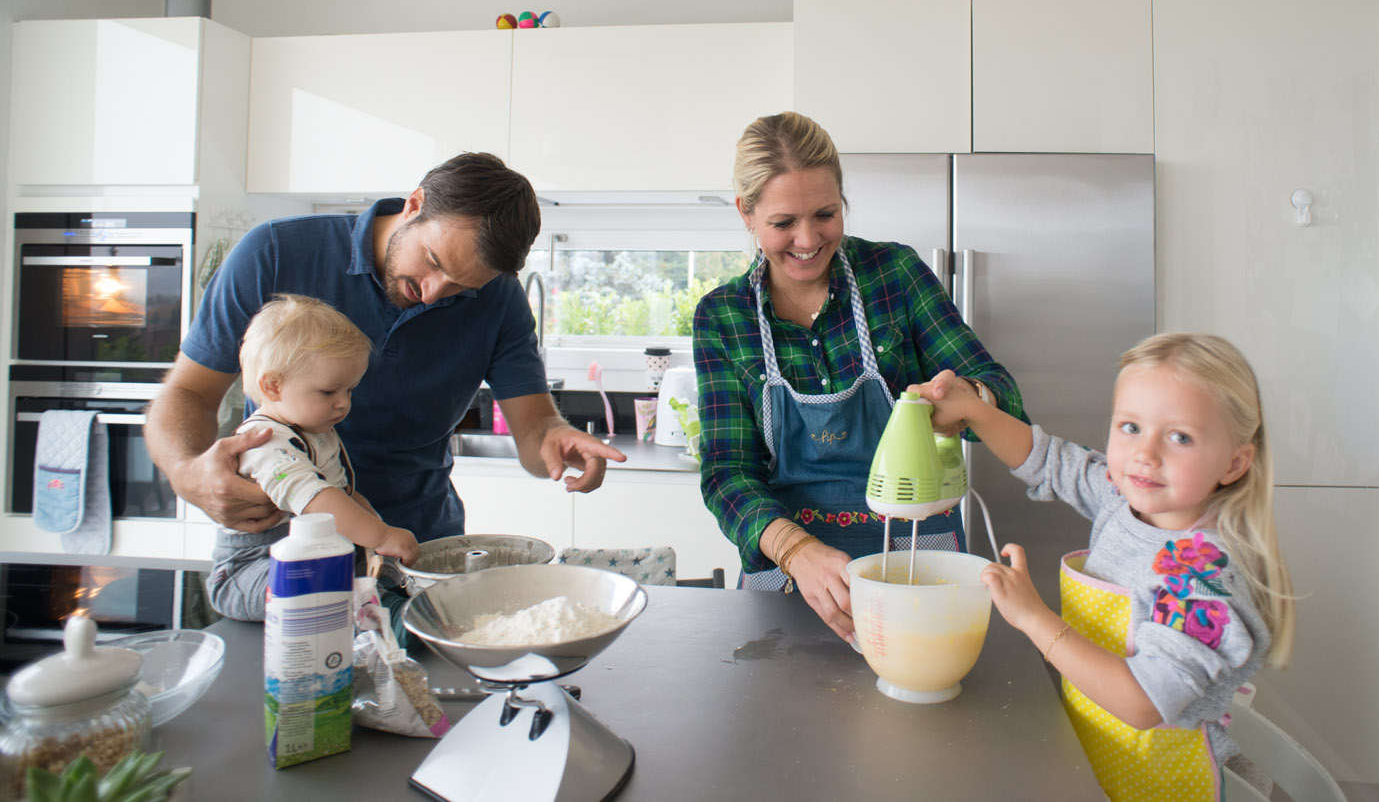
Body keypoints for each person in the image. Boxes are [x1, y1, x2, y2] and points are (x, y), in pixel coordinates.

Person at [147, 152, 625, 546]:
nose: (435, 291)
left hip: (416, 542)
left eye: (460, 286)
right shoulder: (274, 252)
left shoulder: (499, 300)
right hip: (280, 538)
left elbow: (534, 428)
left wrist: (555, 441)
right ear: (414, 204)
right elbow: (188, 392)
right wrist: (186, 470)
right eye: (433, 262)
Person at [912, 332, 1294, 802]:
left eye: (1180, 437)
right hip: (1103, 768)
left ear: (1234, 463)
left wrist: (1033, 617)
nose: (1145, 454)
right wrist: (973, 410)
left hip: (1166, 787)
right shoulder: (1124, 499)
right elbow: (1049, 461)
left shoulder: (1201, 577)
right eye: (1130, 427)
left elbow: (1142, 702)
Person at [693, 112, 1024, 642]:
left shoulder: (894, 275)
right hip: (788, 573)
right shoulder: (723, 316)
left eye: (825, 214)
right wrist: (796, 550)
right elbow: (727, 473)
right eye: (783, 223)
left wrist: (968, 398)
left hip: (919, 556)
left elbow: (1002, 394)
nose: (807, 239)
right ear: (746, 214)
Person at [208, 295, 419, 621]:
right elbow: (318, 501)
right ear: (273, 385)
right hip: (249, 569)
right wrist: (382, 536)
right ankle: (382, 615)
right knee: (317, 584)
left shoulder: (315, 430)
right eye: (328, 392)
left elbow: (342, 495)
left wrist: (378, 533)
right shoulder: (265, 443)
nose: (343, 404)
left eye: (349, 391)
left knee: (370, 568)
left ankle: (386, 603)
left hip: (307, 551)